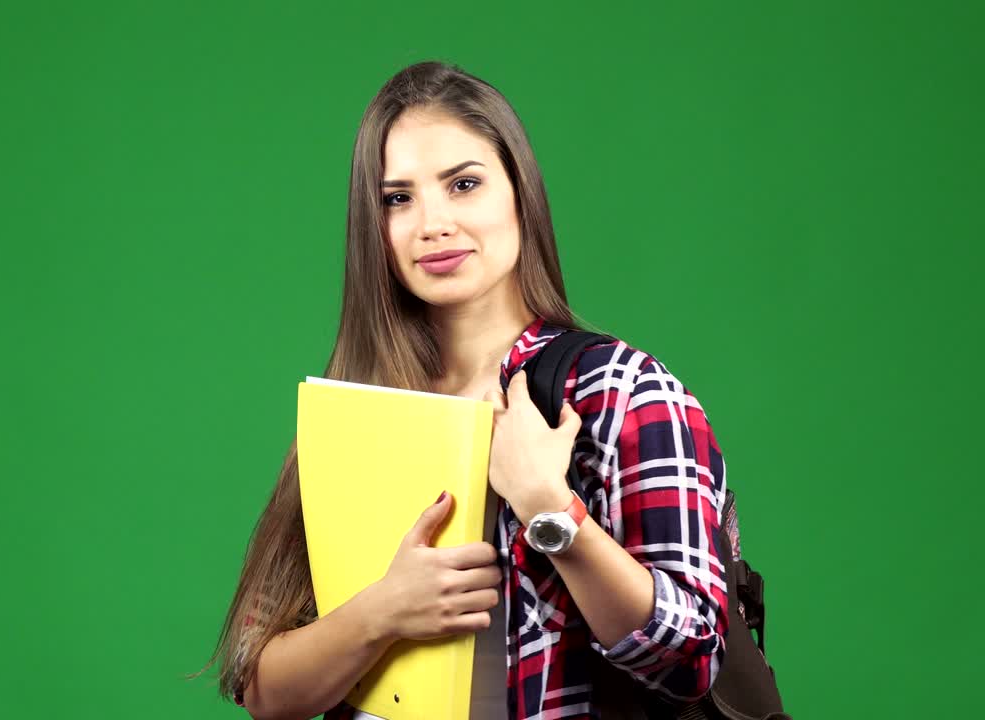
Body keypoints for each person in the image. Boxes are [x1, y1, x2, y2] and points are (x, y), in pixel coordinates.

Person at [199, 60, 731, 720]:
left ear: (520, 193)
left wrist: (551, 512)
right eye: (398, 198)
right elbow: (265, 692)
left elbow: (692, 659)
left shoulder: (620, 390)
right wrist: (383, 610)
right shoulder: (360, 406)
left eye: (464, 184)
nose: (434, 224)